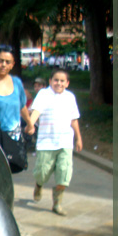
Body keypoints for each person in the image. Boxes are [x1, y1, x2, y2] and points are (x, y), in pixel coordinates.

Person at [29, 68, 82, 216]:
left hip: (65, 142)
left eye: (62, 81)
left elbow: (74, 119)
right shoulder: (44, 94)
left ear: (67, 83)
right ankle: (39, 184)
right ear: (50, 81)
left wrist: (78, 137)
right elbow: (36, 111)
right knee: (42, 173)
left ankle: (57, 203)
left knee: (64, 175)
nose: (59, 83)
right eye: (56, 80)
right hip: (46, 142)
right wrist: (31, 124)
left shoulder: (70, 97)